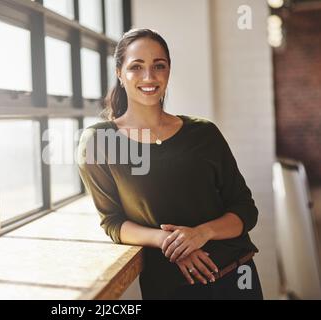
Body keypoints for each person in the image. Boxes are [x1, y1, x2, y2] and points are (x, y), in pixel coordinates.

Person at [77, 28, 263, 300]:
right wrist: (169, 243)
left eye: (158, 66)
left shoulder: (204, 133)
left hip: (238, 279)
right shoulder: (100, 142)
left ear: (169, 71)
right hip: (171, 288)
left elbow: (246, 210)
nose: (149, 77)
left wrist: (201, 233)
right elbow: (113, 222)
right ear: (119, 73)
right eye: (136, 67)